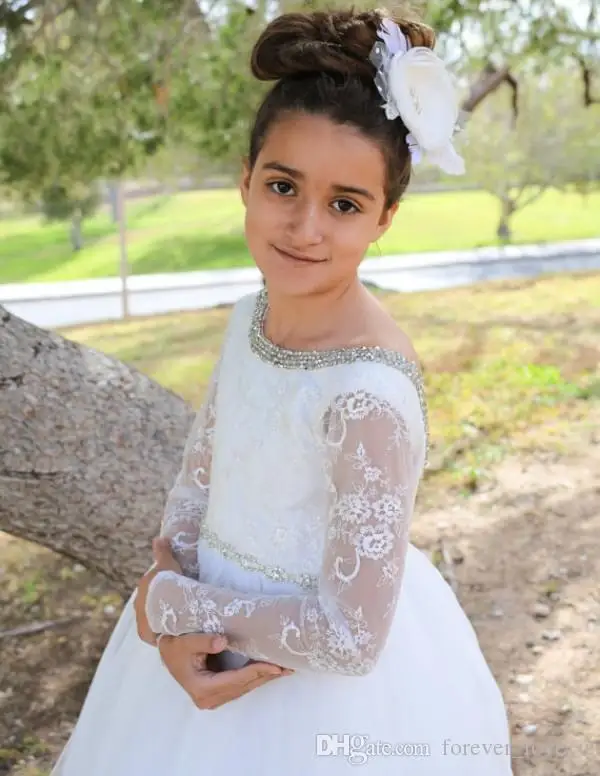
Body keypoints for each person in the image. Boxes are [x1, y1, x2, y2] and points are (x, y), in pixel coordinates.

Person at [51, 7, 514, 775]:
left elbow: (349, 638)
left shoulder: (369, 396)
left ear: (384, 219)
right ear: (245, 181)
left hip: (319, 696)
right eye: (282, 185)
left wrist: (176, 608)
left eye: (344, 204)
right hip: (198, 637)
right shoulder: (249, 318)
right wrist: (165, 610)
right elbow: (197, 485)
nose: (304, 226)